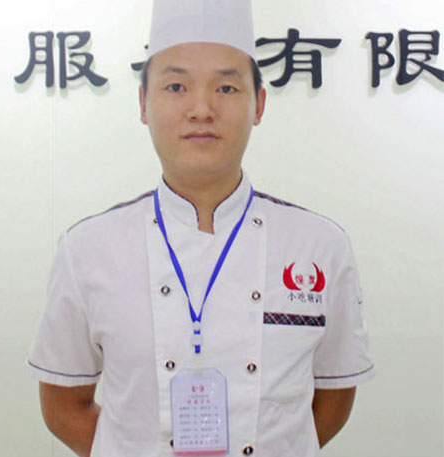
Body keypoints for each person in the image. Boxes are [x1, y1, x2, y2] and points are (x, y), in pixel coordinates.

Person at [28, 1, 375, 456]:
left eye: (226, 87)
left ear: (259, 104)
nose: (201, 109)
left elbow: (333, 397)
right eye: (176, 86)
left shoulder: (319, 246)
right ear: (143, 104)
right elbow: (62, 406)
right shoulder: (87, 249)